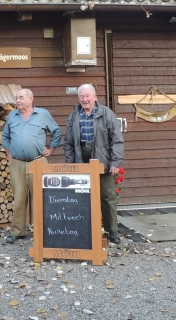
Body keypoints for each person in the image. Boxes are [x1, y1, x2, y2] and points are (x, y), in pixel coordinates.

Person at [64, 84, 124, 244]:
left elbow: (116, 140)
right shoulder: (74, 115)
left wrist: (115, 161)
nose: (84, 99)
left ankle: (112, 231)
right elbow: (68, 143)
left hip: (103, 162)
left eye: (87, 96)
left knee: (108, 198)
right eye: (81, 97)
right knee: (81, 197)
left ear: (94, 96)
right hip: (80, 161)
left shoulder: (107, 114)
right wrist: (71, 164)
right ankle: (84, 229)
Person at [2, 88, 62, 243]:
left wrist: (51, 148)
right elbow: (5, 135)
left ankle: (43, 231)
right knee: (19, 198)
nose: (18, 100)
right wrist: (8, 151)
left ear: (31, 99)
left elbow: (56, 131)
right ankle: (17, 231)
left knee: (41, 199)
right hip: (18, 164)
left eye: (21, 97)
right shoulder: (12, 116)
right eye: (16, 97)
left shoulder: (42, 114)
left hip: (38, 162)